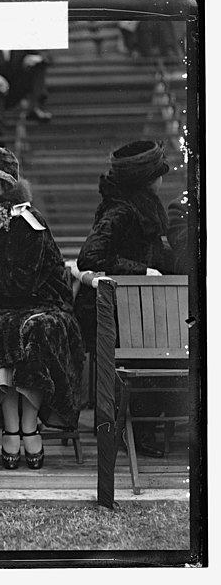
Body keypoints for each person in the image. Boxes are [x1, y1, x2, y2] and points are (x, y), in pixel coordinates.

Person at [0, 146, 84, 471]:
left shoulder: (27, 218)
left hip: (50, 308)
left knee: (30, 329)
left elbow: (21, 282)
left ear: (7, 183)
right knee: (5, 327)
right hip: (10, 309)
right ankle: (10, 425)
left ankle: (29, 425)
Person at [74, 140, 177, 458]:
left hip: (141, 309)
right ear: (148, 179)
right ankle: (137, 429)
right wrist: (142, 271)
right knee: (153, 351)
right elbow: (89, 258)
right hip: (109, 313)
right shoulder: (120, 209)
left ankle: (144, 426)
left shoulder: (144, 204)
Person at [0, 49, 53, 133]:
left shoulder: (21, 45)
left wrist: (37, 58)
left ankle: (35, 107)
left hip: (14, 91)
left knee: (38, 65)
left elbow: (47, 56)